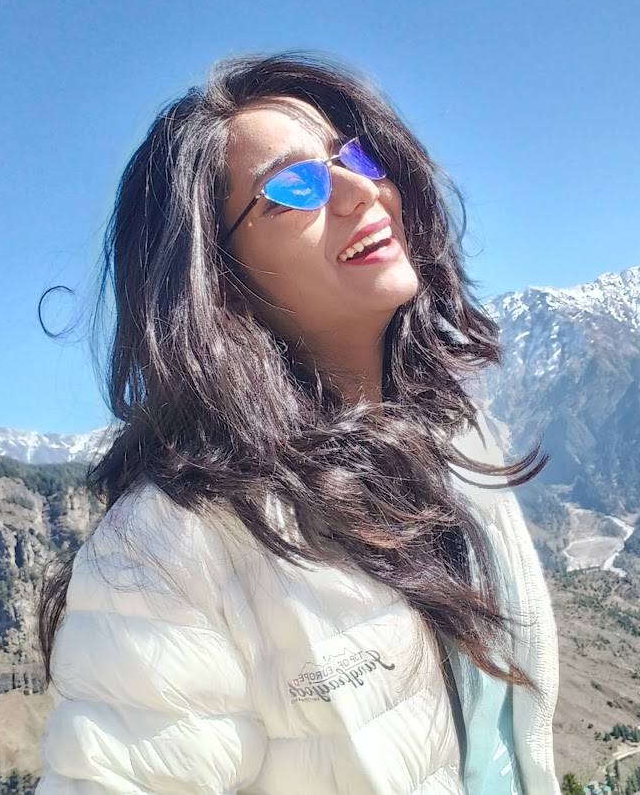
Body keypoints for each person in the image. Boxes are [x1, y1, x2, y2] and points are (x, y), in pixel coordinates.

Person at [36, 53, 559, 794]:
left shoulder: (454, 432)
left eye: (356, 156)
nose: (359, 190)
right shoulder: (169, 547)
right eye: (294, 185)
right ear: (219, 278)